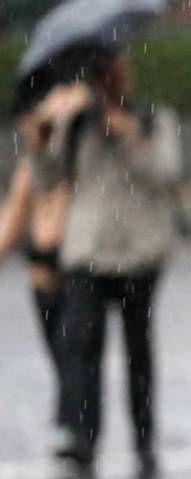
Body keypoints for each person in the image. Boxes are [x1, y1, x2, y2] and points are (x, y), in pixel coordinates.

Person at [31, 50, 182, 472]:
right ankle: (82, 436)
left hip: (139, 254)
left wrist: (132, 135)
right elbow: (46, 178)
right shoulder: (77, 124)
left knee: (139, 349)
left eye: (121, 71)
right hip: (88, 255)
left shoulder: (153, 119)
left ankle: (143, 436)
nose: (116, 80)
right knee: (82, 346)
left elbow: (167, 172)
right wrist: (42, 140)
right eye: (107, 74)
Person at [0, 84, 91, 443]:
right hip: (42, 273)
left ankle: (74, 426)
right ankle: (73, 422)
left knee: (74, 351)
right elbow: (11, 220)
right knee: (61, 354)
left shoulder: (78, 164)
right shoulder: (31, 171)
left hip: (72, 267)